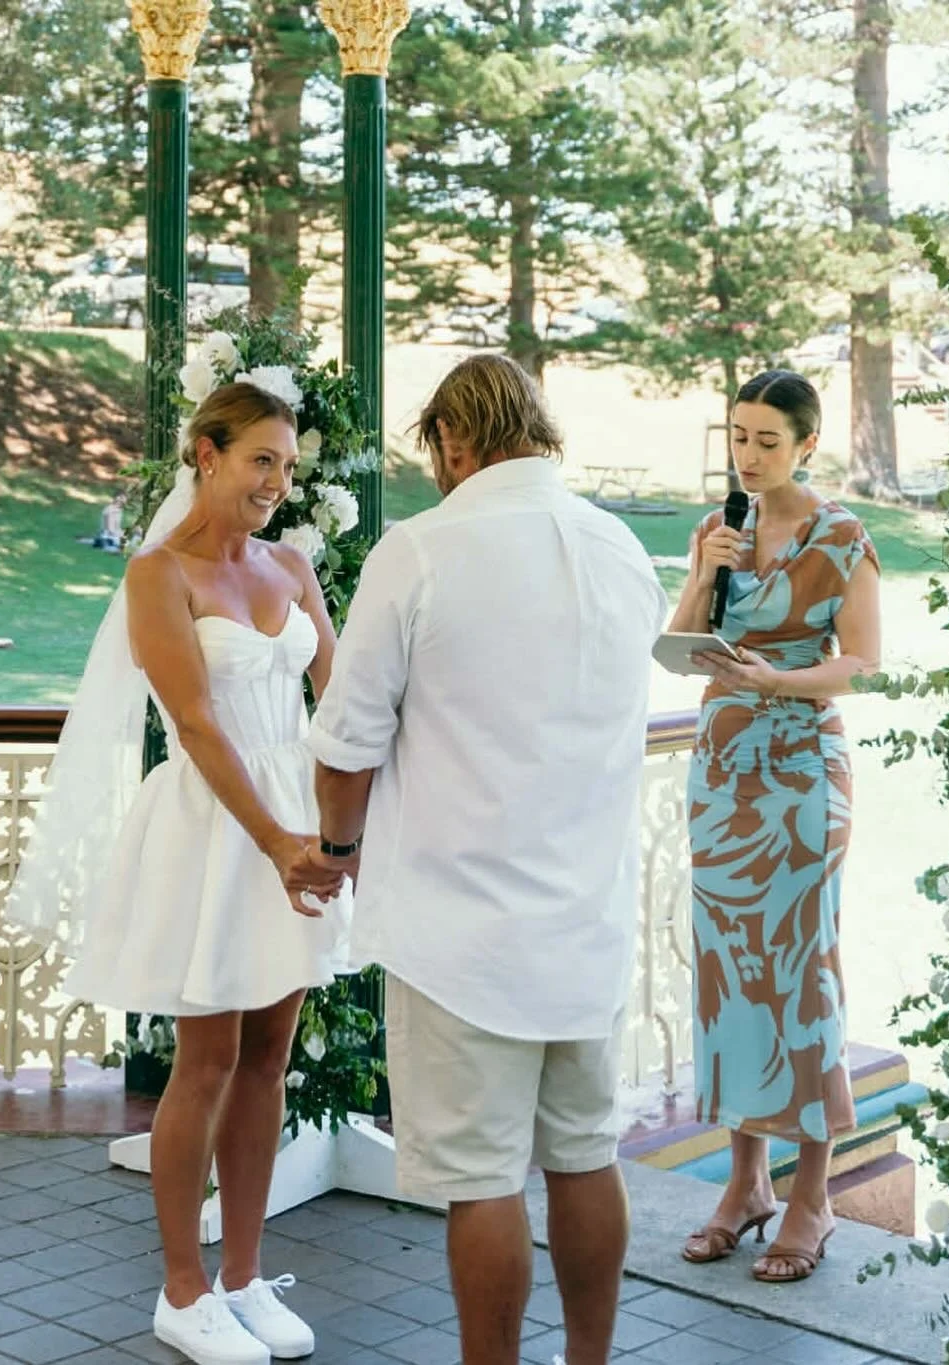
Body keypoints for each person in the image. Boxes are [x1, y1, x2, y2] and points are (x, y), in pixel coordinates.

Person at [302, 354, 667, 1365]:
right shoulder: (623, 549)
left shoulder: (423, 550)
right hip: (584, 919)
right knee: (586, 1159)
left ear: (454, 440)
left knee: (484, 1181)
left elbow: (346, 743)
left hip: (461, 930)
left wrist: (336, 852)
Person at [6, 383, 349, 1365]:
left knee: (272, 1054)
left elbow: (343, 694)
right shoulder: (159, 575)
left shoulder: (293, 565)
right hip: (215, 830)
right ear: (206, 453)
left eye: (288, 467)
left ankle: (244, 1275)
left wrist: (336, 830)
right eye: (260, 462)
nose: (277, 485)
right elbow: (195, 725)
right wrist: (277, 841)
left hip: (296, 825)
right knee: (205, 1061)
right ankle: (182, 1290)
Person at [669, 370, 881, 1284]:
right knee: (729, 972)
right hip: (720, 774)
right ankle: (746, 1182)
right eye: (736, 437)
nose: (747, 455)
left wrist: (777, 683)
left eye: (765, 440)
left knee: (799, 970)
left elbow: (863, 663)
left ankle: (813, 1194)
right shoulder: (719, 529)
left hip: (800, 774)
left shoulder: (842, 538)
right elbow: (678, 648)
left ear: (806, 444)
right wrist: (704, 571)